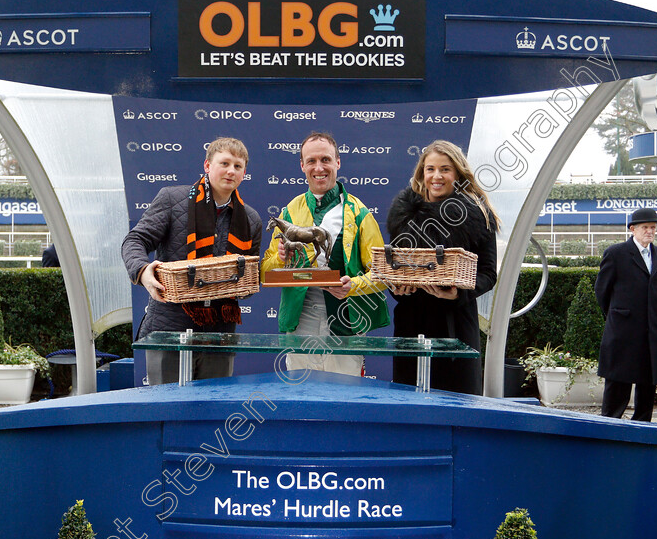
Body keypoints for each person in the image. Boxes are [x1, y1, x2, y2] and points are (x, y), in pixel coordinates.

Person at [121, 137, 262, 384]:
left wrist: (247, 282)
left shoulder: (251, 220)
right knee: (166, 409)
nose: (231, 171)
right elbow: (135, 240)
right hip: (169, 330)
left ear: (244, 173)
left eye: (238, 166)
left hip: (220, 333)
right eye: (224, 163)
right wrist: (143, 272)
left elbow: (248, 281)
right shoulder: (171, 199)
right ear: (207, 166)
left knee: (212, 410)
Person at [261, 132, 389, 376]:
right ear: (302, 166)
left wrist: (353, 285)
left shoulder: (360, 213)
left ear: (338, 162)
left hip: (346, 318)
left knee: (345, 400)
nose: (318, 168)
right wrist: (279, 257)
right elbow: (266, 273)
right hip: (300, 320)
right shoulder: (289, 211)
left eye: (325, 160)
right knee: (300, 400)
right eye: (311, 161)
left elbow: (382, 275)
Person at [386, 140, 498, 394]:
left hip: (456, 326)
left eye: (445, 169)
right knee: (409, 408)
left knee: (458, 409)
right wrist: (397, 288)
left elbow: (489, 274)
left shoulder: (478, 214)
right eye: (430, 169)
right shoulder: (404, 215)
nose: (437, 176)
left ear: (457, 173)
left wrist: (459, 292)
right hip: (410, 326)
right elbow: (397, 267)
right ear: (422, 173)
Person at [595, 208, 657, 421]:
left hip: (651, 335)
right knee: (617, 388)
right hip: (623, 333)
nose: (650, 231)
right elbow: (602, 292)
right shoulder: (616, 253)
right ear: (632, 229)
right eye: (645, 227)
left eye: (653, 228)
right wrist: (617, 317)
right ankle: (608, 432)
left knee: (647, 391)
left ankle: (642, 434)